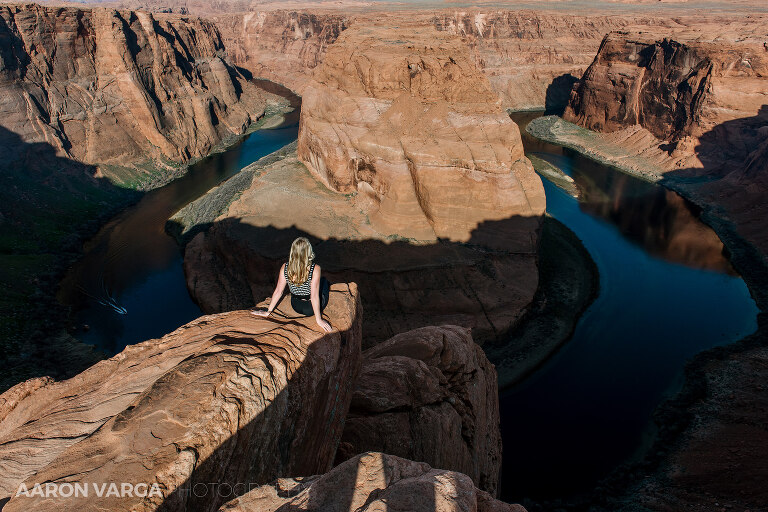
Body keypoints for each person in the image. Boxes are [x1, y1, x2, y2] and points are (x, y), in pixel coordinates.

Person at [252, 237, 332, 332]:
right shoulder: (315, 269)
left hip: (296, 305)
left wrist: (268, 311)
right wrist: (319, 320)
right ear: (308, 251)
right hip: (309, 309)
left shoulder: (285, 267)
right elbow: (314, 296)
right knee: (324, 282)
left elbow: (278, 291)